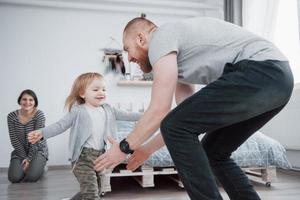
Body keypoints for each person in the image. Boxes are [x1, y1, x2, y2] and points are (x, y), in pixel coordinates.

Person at [93, 16, 294, 200]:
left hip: (261, 70)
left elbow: (159, 112)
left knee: (177, 126)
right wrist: (145, 150)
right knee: (212, 151)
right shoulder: (180, 66)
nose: (128, 58)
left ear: (141, 39)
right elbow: (184, 122)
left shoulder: (161, 38)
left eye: (127, 49)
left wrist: (124, 147)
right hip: (279, 81)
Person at [28, 72, 141, 200]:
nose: (101, 92)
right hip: (83, 158)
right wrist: (42, 133)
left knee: (96, 190)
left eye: (104, 89)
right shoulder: (78, 110)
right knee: (91, 193)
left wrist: (149, 115)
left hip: (101, 157)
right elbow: (61, 125)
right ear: (82, 94)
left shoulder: (108, 109)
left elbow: (128, 115)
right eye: (96, 89)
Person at [7, 89, 48, 183]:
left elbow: (36, 140)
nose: (27, 102)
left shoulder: (39, 115)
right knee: (14, 178)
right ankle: (27, 168)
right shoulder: (11, 117)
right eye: (24, 99)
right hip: (20, 151)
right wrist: (24, 157)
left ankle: (39, 167)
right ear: (20, 101)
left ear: (35, 102)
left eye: (31, 100)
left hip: (38, 150)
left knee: (32, 177)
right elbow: (14, 140)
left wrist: (29, 159)